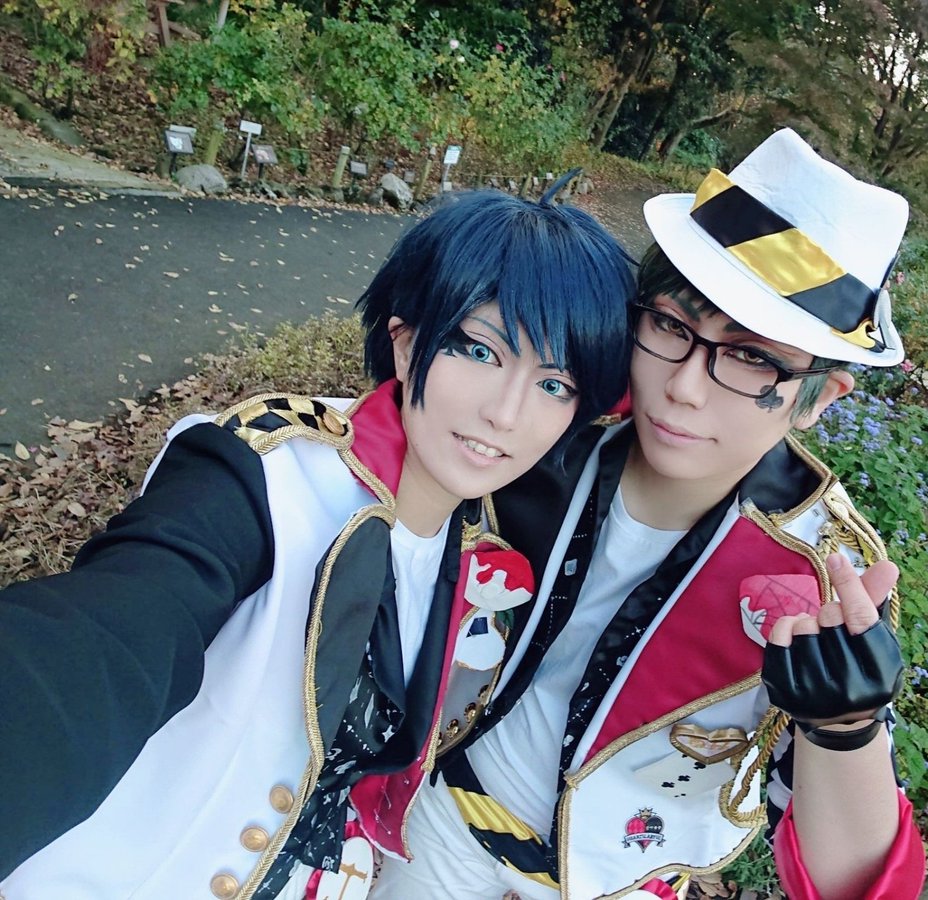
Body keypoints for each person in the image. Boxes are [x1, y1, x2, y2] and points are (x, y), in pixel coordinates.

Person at [0, 183, 634, 899]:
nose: (507, 413)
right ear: (405, 342)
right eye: (479, 349)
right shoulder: (264, 474)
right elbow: (116, 630)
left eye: (554, 385)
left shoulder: (479, 553)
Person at [361, 129, 927, 899]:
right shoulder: (545, 435)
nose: (685, 388)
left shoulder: (822, 573)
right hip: (443, 824)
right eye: (670, 325)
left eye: (751, 356)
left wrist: (845, 728)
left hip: (623, 881)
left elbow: (850, 883)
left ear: (818, 397)